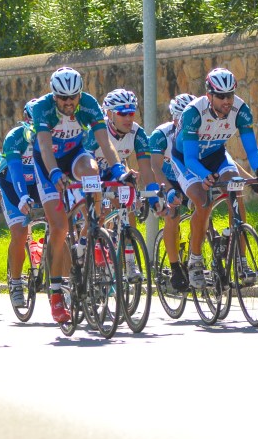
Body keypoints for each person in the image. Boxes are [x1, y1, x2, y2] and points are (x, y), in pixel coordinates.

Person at [29, 67, 128, 323]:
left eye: (73, 96)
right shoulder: (43, 108)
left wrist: (118, 169)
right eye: (63, 98)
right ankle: (56, 295)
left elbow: (105, 144)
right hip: (47, 163)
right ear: (54, 96)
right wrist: (53, 174)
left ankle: (89, 234)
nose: (69, 102)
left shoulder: (88, 104)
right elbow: (43, 145)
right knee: (59, 227)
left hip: (75, 155)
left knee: (92, 172)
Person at [171, 68, 258, 289]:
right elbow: (191, 158)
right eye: (220, 96)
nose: (226, 100)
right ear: (209, 95)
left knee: (235, 187)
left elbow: (252, 148)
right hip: (187, 160)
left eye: (230, 94)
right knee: (203, 200)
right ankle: (195, 260)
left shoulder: (241, 110)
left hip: (216, 155)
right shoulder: (193, 113)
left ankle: (242, 261)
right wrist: (205, 176)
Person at [83, 88, 160, 282]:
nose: (128, 118)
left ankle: (130, 262)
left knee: (128, 204)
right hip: (91, 172)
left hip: (114, 172)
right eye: (122, 113)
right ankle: (85, 251)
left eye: (131, 113)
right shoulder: (97, 131)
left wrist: (154, 195)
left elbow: (147, 171)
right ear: (109, 114)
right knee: (96, 214)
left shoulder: (138, 134)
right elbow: (85, 164)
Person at [0, 99, 41, 308]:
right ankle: (15, 282)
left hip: (38, 183)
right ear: (26, 120)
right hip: (12, 184)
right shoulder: (15, 137)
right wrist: (23, 197)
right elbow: (15, 171)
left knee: (62, 227)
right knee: (20, 232)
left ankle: (64, 284)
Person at [149, 93, 196, 291]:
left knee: (203, 211)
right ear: (174, 117)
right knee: (173, 215)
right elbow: (156, 168)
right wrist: (168, 191)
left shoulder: (197, 132)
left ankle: (195, 259)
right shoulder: (161, 135)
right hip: (167, 181)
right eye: (180, 118)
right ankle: (175, 267)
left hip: (188, 179)